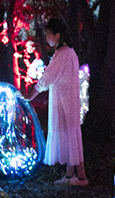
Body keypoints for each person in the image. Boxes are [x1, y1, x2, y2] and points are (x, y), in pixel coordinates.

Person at [26, 17, 88, 186]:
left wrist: (31, 95)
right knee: (72, 135)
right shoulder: (69, 52)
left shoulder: (62, 55)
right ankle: (71, 175)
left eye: (48, 34)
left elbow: (47, 78)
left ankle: (81, 176)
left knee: (70, 134)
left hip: (64, 101)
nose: (46, 38)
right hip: (68, 100)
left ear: (57, 35)